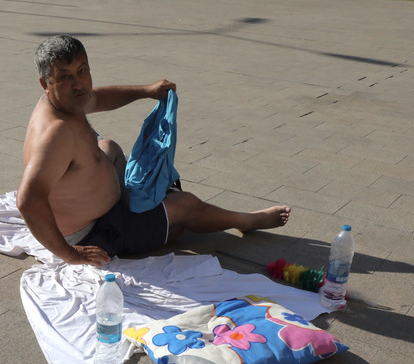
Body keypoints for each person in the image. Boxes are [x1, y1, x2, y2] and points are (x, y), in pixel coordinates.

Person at [16, 35, 291, 267]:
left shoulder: (67, 100)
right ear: (45, 83)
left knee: (108, 146)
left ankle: (148, 214)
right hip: (94, 233)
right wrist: (71, 253)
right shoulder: (56, 133)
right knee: (185, 207)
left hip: (99, 209)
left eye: (82, 70)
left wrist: (147, 91)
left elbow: (97, 98)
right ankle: (248, 221)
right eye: (65, 76)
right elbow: (28, 199)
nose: (79, 83)